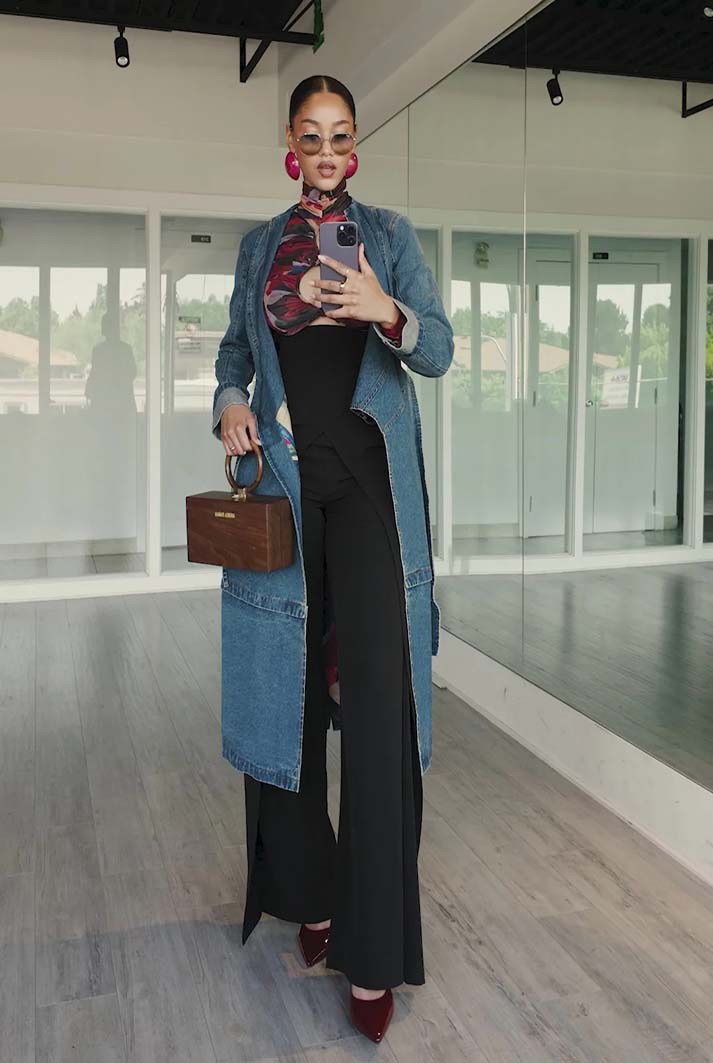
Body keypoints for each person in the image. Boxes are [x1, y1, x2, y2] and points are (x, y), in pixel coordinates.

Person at [212, 74, 454, 1043]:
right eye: (309, 134)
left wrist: (385, 309)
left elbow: (437, 349)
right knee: (292, 699)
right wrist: (230, 402)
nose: (324, 149)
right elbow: (234, 353)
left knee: (382, 715)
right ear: (290, 141)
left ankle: (372, 950)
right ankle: (310, 895)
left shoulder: (387, 235)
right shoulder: (258, 248)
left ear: (354, 145)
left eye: (339, 134)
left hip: (371, 493)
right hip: (285, 485)